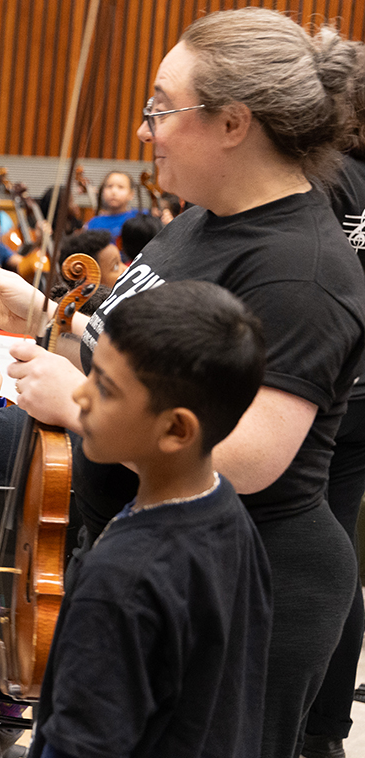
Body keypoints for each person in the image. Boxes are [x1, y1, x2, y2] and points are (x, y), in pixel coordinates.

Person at [0, 10, 365, 758]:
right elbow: (141, 357)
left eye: (161, 108)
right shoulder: (201, 220)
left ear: (233, 122)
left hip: (241, 586)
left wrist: (75, 400)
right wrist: (41, 312)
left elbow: (252, 454)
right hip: (149, 559)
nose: (146, 130)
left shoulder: (303, 269)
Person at [31, 281, 272, 757]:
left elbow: (82, 744)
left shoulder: (122, 580)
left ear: (176, 429)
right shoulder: (228, 513)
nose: (79, 395)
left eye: (104, 387)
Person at [304, 42, 365, 758]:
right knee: (339, 553)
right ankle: (326, 734)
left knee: (307, 552)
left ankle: (305, 722)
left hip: (324, 386)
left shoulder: (324, 178)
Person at [83, 171, 139, 242]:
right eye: (109, 186)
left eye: (121, 187)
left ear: (131, 194)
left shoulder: (139, 218)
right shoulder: (94, 223)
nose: (114, 191)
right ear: (103, 191)